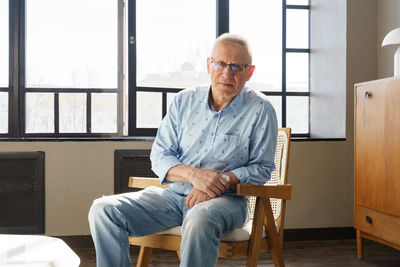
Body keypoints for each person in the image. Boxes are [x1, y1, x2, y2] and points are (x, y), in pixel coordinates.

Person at [88, 33, 278, 267]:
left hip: (227, 202)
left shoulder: (261, 109)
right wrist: (194, 176)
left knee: (200, 217)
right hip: (172, 197)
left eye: (237, 67)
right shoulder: (183, 101)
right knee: (103, 210)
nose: (227, 73)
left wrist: (219, 182)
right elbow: (159, 155)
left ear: (250, 72)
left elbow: (262, 168)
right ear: (209, 65)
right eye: (221, 64)